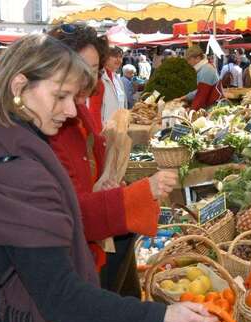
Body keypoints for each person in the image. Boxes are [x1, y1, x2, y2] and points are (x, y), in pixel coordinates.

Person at [0, 34, 217, 322]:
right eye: (60, 96)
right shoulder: (19, 173)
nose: (70, 110)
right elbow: (60, 296)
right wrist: (161, 318)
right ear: (19, 86)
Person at [48, 24, 178, 295]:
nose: (91, 82)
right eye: (82, 69)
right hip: (70, 267)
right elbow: (71, 212)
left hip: (91, 249)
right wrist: (142, 192)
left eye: (94, 71)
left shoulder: (74, 113)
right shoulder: (47, 129)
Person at [180, 45, 221, 110]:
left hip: (214, 107)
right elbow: (199, 90)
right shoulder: (204, 68)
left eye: (189, 59)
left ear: (198, 58)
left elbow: (201, 96)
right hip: (212, 105)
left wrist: (191, 111)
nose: (188, 62)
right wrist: (185, 97)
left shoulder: (206, 70)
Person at [100, 46, 126, 126]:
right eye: (115, 56)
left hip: (119, 126)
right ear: (105, 58)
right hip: (104, 128)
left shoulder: (117, 79)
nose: (119, 60)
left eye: (120, 57)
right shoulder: (99, 78)